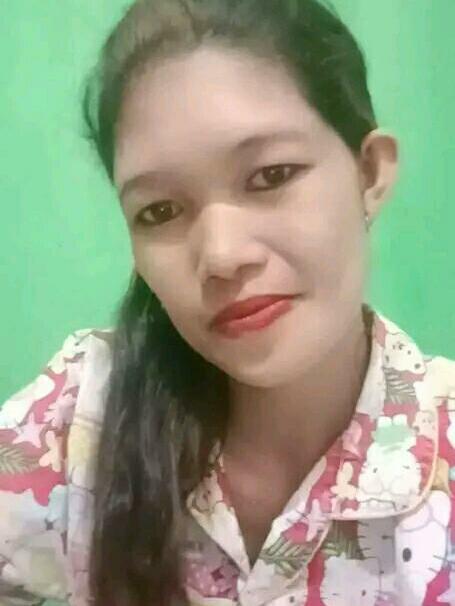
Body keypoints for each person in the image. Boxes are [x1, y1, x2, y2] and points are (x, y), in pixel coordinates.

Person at [1, 0, 454, 604]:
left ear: (369, 172)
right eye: (160, 210)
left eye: (271, 175)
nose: (220, 255)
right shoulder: (78, 421)